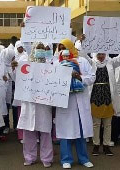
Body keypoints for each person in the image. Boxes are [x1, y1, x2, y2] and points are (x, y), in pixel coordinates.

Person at [12, 42, 53, 168]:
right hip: (29, 104)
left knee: (45, 132)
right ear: (34, 50)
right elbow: (16, 79)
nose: (40, 51)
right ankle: (29, 157)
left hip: (44, 104)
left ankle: (46, 158)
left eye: (42, 49)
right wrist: (14, 68)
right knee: (29, 133)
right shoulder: (25, 64)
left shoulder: (50, 65)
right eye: (38, 48)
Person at [55, 39, 95, 169]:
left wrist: (78, 77)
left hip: (80, 102)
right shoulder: (56, 63)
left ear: (71, 47)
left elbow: (92, 77)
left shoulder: (82, 61)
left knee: (81, 131)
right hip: (65, 102)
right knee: (65, 132)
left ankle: (83, 158)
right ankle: (66, 159)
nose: (62, 50)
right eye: (60, 48)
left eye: (64, 47)